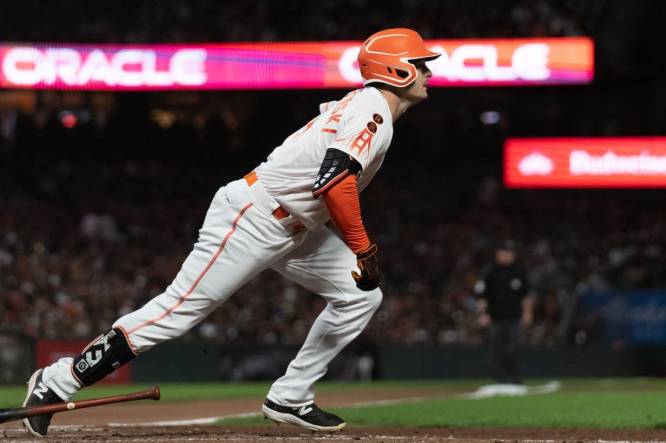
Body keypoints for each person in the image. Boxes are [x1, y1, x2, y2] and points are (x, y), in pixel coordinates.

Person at [22, 28, 440, 437]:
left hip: (294, 223)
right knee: (177, 311)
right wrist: (363, 248)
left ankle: (290, 397)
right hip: (255, 216)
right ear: (397, 70)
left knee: (360, 295)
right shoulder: (374, 110)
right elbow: (333, 181)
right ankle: (57, 381)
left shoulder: (368, 106)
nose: (429, 73)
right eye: (421, 64)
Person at [475, 240, 534, 384]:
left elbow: (526, 295)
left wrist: (528, 313)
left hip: (515, 317)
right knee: (496, 348)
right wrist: (482, 314)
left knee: (515, 347)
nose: (508, 255)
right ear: (498, 254)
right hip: (495, 318)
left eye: (510, 253)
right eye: (505, 252)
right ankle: (499, 378)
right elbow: (482, 296)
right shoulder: (489, 272)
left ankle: (514, 376)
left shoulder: (519, 271)